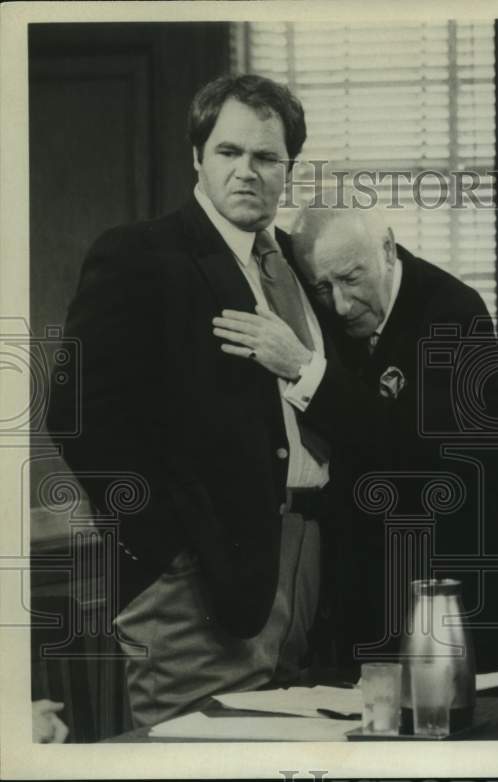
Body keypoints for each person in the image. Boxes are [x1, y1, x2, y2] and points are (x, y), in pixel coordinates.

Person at [47, 74, 329, 727]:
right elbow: (76, 413)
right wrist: (164, 550)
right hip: (194, 579)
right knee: (199, 753)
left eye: (266, 158)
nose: (247, 172)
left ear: (289, 168)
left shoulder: (294, 262)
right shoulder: (140, 256)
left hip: (305, 559)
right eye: (228, 152)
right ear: (197, 157)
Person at [213, 201, 498, 674]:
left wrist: (302, 368)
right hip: (376, 596)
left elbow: (413, 454)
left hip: (470, 594)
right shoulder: (333, 316)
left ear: (388, 249)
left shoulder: (454, 312)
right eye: (322, 287)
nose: (341, 304)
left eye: (352, 279)